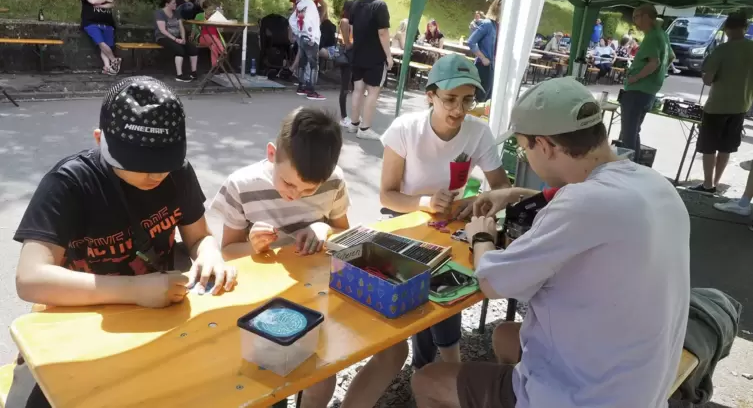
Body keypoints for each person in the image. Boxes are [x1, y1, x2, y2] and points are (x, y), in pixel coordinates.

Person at [411, 77, 690, 408]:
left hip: (589, 396)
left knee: (427, 380)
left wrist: (480, 235)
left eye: (525, 149)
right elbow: (595, 211)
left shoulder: (582, 204)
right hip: (641, 379)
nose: (527, 157)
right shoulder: (654, 185)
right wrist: (517, 193)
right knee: (504, 335)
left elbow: (492, 281)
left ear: (543, 145)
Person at [6, 76, 238, 408]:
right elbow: (30, 279)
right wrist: (136, 290)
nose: (156, 174)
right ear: (100, 140)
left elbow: (198, 235)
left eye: (164, 162)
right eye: (141, 163)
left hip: (155, 319)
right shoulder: (69, 184)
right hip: (72, 323)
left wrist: (210, 253)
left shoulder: (178, 173)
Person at [211, 107, 408, 408]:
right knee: (275, 379)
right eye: (289, 184)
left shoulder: (333, 181)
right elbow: (227, 252)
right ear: (271, 153)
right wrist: (253, 247)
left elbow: (343, 232)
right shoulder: (241, 185)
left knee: (326, 375)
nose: (296, 195)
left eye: (309, 189)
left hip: (316, 294)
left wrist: (321, 226)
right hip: (266, 305)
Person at [380, 54, 511, 371]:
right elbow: (387, 195)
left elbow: (501, 186)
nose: (458, 110)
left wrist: (477, 201)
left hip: (450, 226)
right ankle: (444, 364)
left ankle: (430, 366)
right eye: (450, 99)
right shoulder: (405, 129)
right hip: (406, 222)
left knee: (449, 279)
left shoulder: (478, 132)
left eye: (468, 101)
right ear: (430, 96)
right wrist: (424, 203)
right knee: (435, 279)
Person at [690, 13, 753, 194]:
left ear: (726, 28)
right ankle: (716, 182)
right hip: (741, 106)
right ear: (745, 27)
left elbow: (708, 80)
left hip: (717, 106)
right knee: (726, 147)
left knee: (709, 146)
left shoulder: (722, 50)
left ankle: (708, 184)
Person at [619, 4, 671, 158]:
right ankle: (634, 166)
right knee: (633, 131)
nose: (634, 21)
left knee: (628, 133)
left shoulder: (653, 36)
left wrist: (635, 77)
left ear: (647, 16)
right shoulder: (663, 35)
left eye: (636, 16)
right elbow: (670, 57)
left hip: (638, 90)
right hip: (649, 91)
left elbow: (653, 63)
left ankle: (627, 170)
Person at [347, 0, 392, 141]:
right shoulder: (380, 5)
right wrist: (388, 56)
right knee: (373, 92)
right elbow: (383, 33)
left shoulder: (356, 4)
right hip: (375, 57)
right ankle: (365, 129)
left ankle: (354, 124)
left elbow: (351, 31)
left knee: (358, 90)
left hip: (358, 54)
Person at [288, 0, 325, 101]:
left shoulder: (301, 3)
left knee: (303, 62)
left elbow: (292, 20)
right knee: (313, 64)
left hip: (302, 37)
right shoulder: (311, 5)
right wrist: (311, 36)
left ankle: (301, 86)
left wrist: (298, 32)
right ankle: (311, 90)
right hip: (310, 38)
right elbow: (309, 21)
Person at [80, 0, 121, 76]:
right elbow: (92, 1)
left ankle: (107, 67)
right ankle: (114, 60)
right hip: (91, 22)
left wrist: (102, 5)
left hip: (107, 23)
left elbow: (112, 4)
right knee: (100, 42)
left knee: (106, 46)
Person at [155, 0, 198, 83]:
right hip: (163, 37)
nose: (176, 5)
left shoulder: (176, 13)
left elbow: (181, 26)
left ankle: (194, 72)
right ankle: (179, 75)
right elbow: (162, 30)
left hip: (177, 37)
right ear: (167, 4)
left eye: (175, 3)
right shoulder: (160, 13)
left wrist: (183, 38)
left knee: (193, 48)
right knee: (179, 50)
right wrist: (175, 39)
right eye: (173, 3)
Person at [467, 0, 502, 103]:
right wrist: (482, 58)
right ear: (498, 6)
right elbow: (471, 42)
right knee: (479, 99)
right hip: (483, 66)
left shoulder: (500, 26)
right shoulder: (487, 24)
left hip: (493, 67)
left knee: (488, 101)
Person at [336, 0, 355, 127]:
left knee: (353, 87)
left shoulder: (352, 22)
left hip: (352, 56)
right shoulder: (345, 21)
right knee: (345, 87)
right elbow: (347, 43)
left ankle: (352, 115)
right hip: (347, 56)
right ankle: (343, 116)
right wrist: (353, 44)